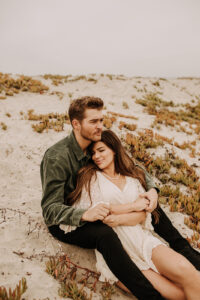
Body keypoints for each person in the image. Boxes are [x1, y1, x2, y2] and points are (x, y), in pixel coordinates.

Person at [40, 96, 200, 300]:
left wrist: (152, 190)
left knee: (153, 206)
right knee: (104, 234)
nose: (100, 126)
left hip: (103, 209)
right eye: (93, 121)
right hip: (66, 220)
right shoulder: (57, 157)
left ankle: (188, 254)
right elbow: (50, 209)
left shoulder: (94, 144)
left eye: (101, 120)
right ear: (76, 124)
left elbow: (131, 167)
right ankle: (149, 294)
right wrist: (85, 214)